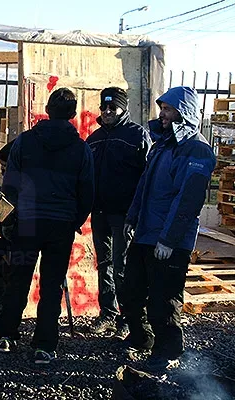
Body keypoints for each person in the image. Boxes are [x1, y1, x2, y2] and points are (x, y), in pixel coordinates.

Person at [0, 88, 95, 365]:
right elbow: (87, 192)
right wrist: (72, 221)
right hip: (60, 225)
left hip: (28, 222)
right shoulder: (81, 149)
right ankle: (45, 346)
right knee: (52, 285)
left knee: (18, 279)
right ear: (73, 115)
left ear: (47, 110)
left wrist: (12, 219)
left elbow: (10, 186)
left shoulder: (25, 142)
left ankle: (7, 336)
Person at [122, 86, 216, 372]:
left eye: (168, 109)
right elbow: (145, 186)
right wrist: (132, 217)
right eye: (161, 108)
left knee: (164, 299)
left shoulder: (197, 150)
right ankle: (142, 338)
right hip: (146, 233)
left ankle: (168, 350)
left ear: (184, 113)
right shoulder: (162, 145)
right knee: (131, 291)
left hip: (170, 240)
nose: (162, 114)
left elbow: (188, 199)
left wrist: (169, 239)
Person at [85, 88, 150, 339]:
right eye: (104, 107)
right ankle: (108, 313)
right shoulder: (95, 138)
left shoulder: (137, 136)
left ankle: (128, 317)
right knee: (104, 264)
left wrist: (139, 212)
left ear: (124, 109)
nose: (108, 112)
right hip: (100, 212)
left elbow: (148, 176)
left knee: (124, 266)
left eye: (113, 108)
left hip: (125, 215)